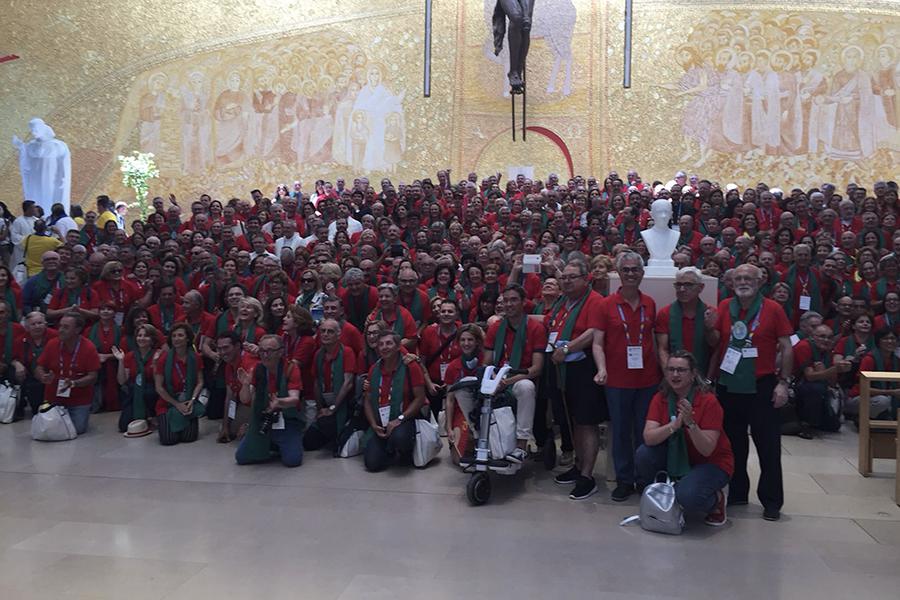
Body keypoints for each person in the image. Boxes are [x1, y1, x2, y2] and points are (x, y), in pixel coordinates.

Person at [712, 263, 793, 521]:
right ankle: (737, 492)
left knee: (768, 445)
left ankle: (771, 501)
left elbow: (786, 347)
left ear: (759, 282)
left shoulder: (773, 308)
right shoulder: (725, 306)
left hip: (762, 385)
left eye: (748, 278)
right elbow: (716, 342)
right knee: (733, 443)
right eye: (738, 278)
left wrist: (783, 383)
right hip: (729, 385)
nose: (743, 282)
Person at [635, 351, 734, 527]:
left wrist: (690, 423)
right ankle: (667, 497)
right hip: (678, 456)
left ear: (693, 374)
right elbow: (649, 437)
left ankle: (717, 500)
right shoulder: (660, 398)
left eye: (681, 370)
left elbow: (707, 450)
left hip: (711, 462)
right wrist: (674, 426)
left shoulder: (709, 401)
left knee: (688, 496)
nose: (675, 375)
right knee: (644, 454)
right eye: (671, 369)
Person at [593, 251, 661, 502]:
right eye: (626, 270)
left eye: (635, 270)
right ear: (619, 274)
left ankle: (644, 479)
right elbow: (597, 343)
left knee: (645, 431)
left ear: (642, 273)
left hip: (648, 379)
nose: (631, 274)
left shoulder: (650, 303)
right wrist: (602, 369)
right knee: (620, 431)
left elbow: (654, 340)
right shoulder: (605, 304)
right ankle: (624, 480)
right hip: (617, 380)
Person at [545, 258, 605, 499]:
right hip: (561, 367)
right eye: (564, 278)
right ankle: (578, 466)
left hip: (582, 367)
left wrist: (567, 348)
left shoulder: (595, 301)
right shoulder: (563, 301)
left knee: (586, 422)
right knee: (572, 421)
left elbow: (593, 332)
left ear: (585, 278)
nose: (567, 281)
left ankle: (587, 476)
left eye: (573, 277)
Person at [478, 284, 546, 462]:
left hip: (519, 378)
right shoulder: (495, 327)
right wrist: (493, 378)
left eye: (514, 300)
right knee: (463, 387)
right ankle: (479, 438)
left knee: (526, 387)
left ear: (523, 302)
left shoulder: (535, 328)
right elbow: (486, 363)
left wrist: (506, 382)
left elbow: (537, 368)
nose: (508, 304)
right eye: (505, 301)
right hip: (497, 377)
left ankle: (521, 445)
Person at [362, 330, 427, 472]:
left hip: (405, 418)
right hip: (381, 422)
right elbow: (367, 400)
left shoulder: (410, 366)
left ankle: (404, 451)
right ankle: (389, 450)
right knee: (372, 464)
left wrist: (399, 419)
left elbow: (420, 398)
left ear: (398, 347)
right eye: (381, 344)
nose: (384, 347)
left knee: (400, 437)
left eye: (389, 343)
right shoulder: (374, 369)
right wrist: (373, 425)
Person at [235, 334, 304, 467]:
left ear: (280, 352)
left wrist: (280, 402)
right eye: (262, 351)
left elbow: (294, 399)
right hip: (262, 420)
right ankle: (270, 445)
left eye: (269, 351)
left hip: (286, 421)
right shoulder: (257, 369)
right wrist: (245, 385)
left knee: (292, 461)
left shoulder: (291, 368)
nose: (265, 355)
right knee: (241, 458)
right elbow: (245, 399)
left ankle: (283, 443)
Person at [35, 311, 101, 435]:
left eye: (66, 327)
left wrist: (74, 383)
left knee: (77, 429)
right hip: (53, 398)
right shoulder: (52, 344)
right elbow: (39, 367)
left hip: (79, 400)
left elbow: (93, 377)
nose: (60, 330)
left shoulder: (89, 347)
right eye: (60, 326)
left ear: (77, 330)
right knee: (48, 429)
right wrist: (43, 376)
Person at [303, 318, 358, 452]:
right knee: (308, 442)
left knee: (330, 428)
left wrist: (333, 408)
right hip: (325, 404)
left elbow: (348, 383)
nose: (325, 334)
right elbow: (316, 382)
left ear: (338, 334)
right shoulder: (318, 354)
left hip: (343, 405)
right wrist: (320, 409)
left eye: (330, 331)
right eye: (323, 331)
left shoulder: (347, 352)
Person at [656, 266, 717, 377]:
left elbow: (715, 347)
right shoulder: (665, 313)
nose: (682, 289)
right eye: (678, 285)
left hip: (702, 374)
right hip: (674, 375)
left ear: (700, 287)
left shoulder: (710, 313)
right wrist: (670, 376)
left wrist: (709, 329)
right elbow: (663, 350)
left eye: (688, 285)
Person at [153, 322, 205, 446]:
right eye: (174, 336)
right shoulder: (164, 359)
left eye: (180, 335)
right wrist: (176, 404)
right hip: (168, 403)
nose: (176, 338)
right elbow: (159, 387)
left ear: (187, 339)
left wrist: (192, 400)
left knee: (189, 437)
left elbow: (200, 382)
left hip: (188, 401)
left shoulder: (195, 357)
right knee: (168, 440)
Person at [112, 323, 161, 435]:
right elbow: (122, 381)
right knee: (123, 426)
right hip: (134, 393)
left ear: (152, 339)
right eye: (139, 335)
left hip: (153, 393)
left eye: (146, 336)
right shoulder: (130, 356)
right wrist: (121, 361)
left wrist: (155, 364)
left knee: (148, 392)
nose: (142, 338)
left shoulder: (159, 354)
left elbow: (159, 382)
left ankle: (152, 415)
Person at [848, 328, 900, 421]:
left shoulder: (896, 360)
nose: (890, 341)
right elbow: (863, 388)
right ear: (878, 341)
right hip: (860, 397)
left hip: (884, 396)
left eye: (893, 338)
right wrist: (891, 392)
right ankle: (860, 418)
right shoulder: (869, 359)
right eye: (885, 338)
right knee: (883, 401)